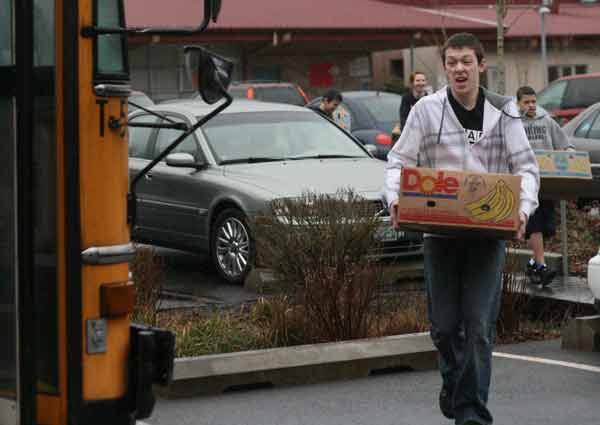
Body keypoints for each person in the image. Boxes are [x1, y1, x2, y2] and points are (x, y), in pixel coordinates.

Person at [384, 33, 539, 425]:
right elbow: (398, 160)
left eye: (466, 61)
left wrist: (521, 211)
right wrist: (396, 199)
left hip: (488, 236)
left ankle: (471, 414)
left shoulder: (504, 112)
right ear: (445, 67)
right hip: (440, 235)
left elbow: (525, 167)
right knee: (444, 327)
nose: (459, 69)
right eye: (452, 62)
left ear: (481, 65)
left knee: (480, 328)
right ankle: (455, 384)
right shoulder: (425, 110)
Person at [517, 85, 574, 286]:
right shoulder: (514, 124)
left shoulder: (546, 120)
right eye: (527, 102)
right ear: (518, 104)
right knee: (536, 224)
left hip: (547, 182)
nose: (531, 106)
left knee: (547, 227)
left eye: (534, 101)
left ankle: (533, 264)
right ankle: (541, 267)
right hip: (526, 183)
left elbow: (564, 143)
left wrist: (567, 153)